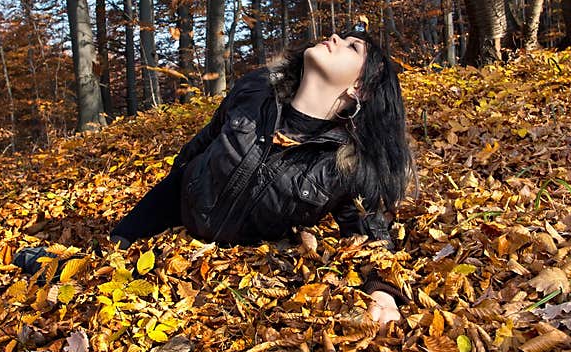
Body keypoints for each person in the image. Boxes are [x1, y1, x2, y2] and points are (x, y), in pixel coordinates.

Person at [109, 28, 417, 331]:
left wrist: (383, 294)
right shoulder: (256, 90)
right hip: (174, 209)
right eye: (342, 37)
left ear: (359, 89)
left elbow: (370, 235)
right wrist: (130, 230)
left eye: (352, 47)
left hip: (239, 264)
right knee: (109, 257)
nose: (335, 38)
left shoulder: (346, 164)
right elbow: (200, 147)